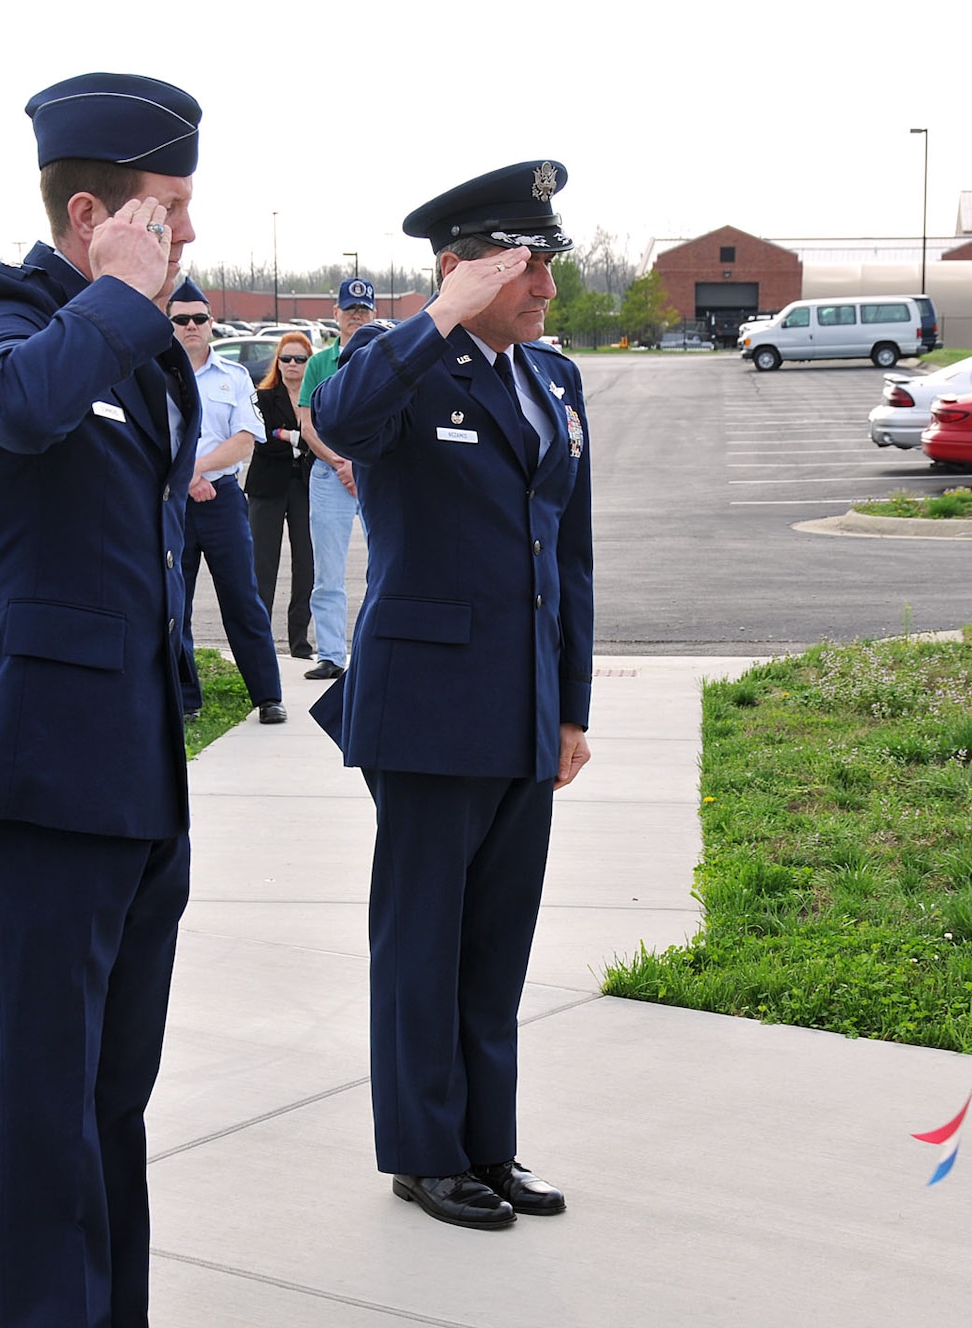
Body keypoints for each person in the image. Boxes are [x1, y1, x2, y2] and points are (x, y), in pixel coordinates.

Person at [0, 71, 201, 1327]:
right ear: (93, 214)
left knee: (109, 1098)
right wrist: (112, 294)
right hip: (35, 767)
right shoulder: (1, 311)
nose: (186, 235)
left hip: (133, 766)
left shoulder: (131, 339)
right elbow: (18, 409)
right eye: (168, 211)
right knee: (42, 1103)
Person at [310, 160, 594, 1230]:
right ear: (462, 267)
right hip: (428, 704)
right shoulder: (402, 363)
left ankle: (487, 1141)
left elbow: (569, 555)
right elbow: (340, 414)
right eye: (524, 266)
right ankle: (424, 1150)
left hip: (520, 704)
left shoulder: (551, 380)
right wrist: (437, 316)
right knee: (422, 939)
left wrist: (570, 706)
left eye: (545, 264)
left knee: (494, 940)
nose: (543, 288)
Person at [169, 277, 285, 724]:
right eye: (181, 319)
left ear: (212, 323)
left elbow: (244, 442)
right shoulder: (154, 375)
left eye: (199, 318)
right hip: (173, 503)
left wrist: (194, 472)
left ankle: (267, 696)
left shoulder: (235, 378)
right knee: (175, 602)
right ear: (169, 324)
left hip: (221, 499)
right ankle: (184, 700)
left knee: (243, 597)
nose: (191, 326)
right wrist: (184, 480)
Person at [296, 277, 378, 680]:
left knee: (385, 567)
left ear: (374, 314)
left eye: (363, 311)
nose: (356, 317)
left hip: (376, 476)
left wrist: (359, 464)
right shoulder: (317, 363)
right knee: (328, 572)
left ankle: (376, 653)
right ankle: (331, 654)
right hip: (331, 477)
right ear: (336, 315)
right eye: (350, 311)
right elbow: (307, 425)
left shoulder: (385, 357)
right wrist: (342, 463)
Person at [244, 330, 315, 659]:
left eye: (299, 359)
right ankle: (259, 641)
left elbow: (321, 440)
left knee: (306, 564)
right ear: (277, 362)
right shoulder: (263, 397)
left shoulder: (317, 397)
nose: (292, 364)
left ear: (309, 362)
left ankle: (299, 640)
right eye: (285, 358)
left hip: (303, 488)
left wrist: (288, 436)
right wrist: (299, 440)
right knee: (263, 565)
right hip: (267, 488)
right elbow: (263, 440)